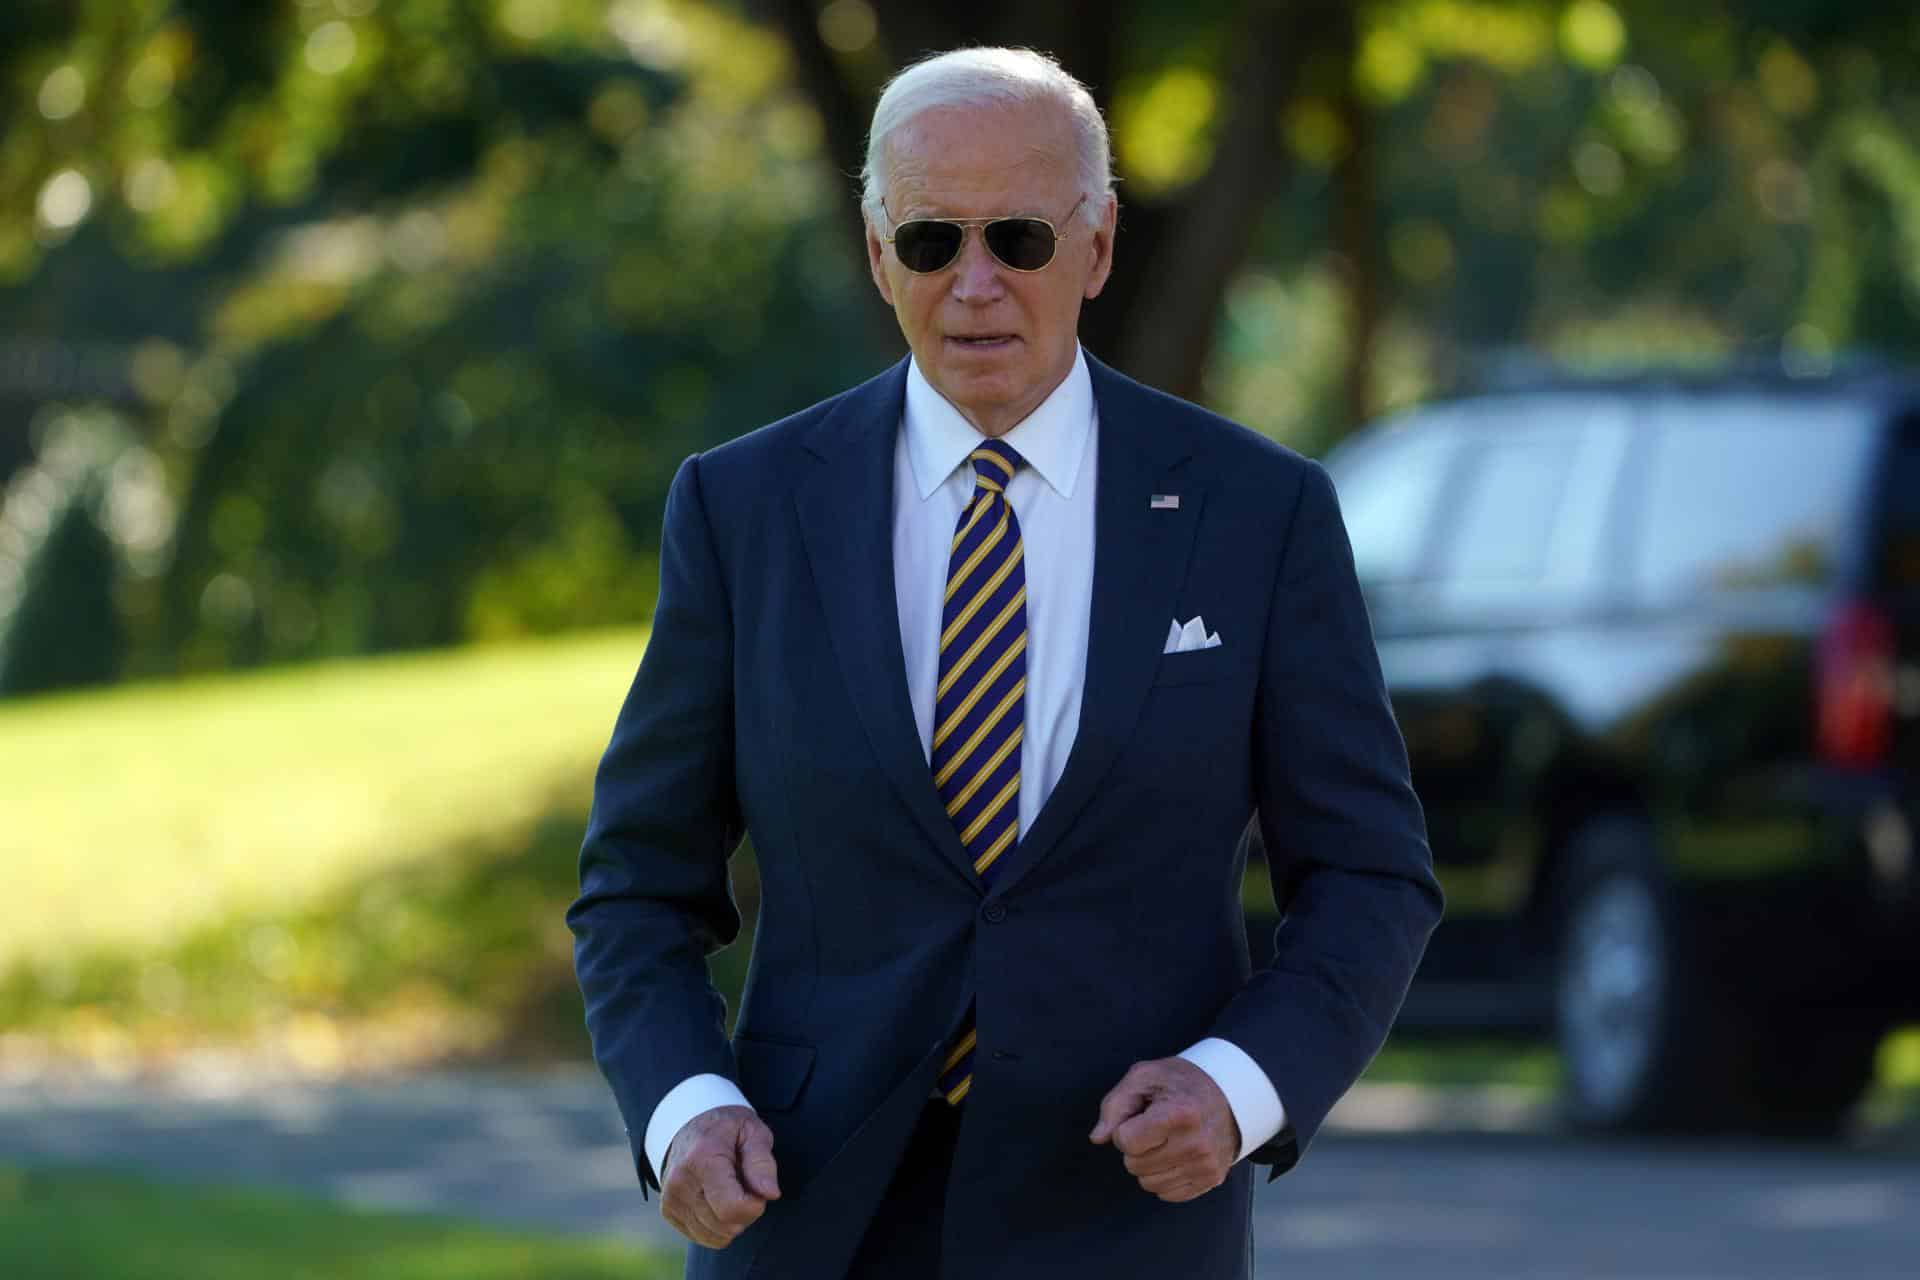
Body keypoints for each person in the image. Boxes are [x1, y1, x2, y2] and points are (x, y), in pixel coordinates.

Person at [568, 45, 1442, 1280]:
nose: (974, 284)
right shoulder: (742, 507)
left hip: (1128, 1215)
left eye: (1019, 238)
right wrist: (680, 1108)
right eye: (931, 242)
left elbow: (1369, 875)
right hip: (807, 1218)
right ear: (879, 255)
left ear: (1096, 246)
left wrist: (1238, 1086)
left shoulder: (1258, 511)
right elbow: (636, 887)